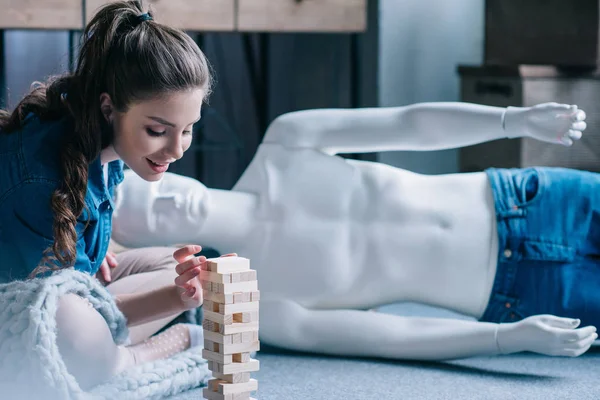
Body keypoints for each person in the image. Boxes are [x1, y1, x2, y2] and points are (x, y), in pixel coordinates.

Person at [112, 101, 600, 362]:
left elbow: (410, 125)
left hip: (536, 200)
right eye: (157, 215)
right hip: (523, 291)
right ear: (166, 246)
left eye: (158, 186)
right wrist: (504, 338)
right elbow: (394, 335)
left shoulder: (288, 139)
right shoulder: (260, 303)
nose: (172, 198)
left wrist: (514, 120)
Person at [0, 0, 223, 389]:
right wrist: (175, 300)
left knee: (192, 267)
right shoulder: (37, 182)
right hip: (27, 316)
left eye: (187, 129)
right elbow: (53, 308)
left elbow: (88, 236)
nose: (176, 150)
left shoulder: (104, 141)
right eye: (158, 131)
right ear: (109, 108)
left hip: (71, 295)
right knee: (69, 327)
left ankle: (128, 338)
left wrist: (97, 250)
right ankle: (136, 356)